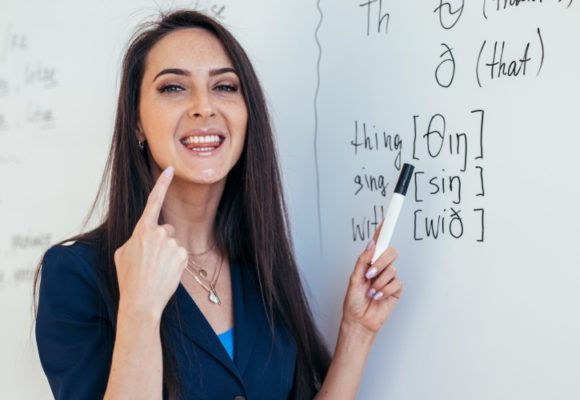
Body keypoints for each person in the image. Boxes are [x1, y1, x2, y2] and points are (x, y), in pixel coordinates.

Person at [33, 9, 403, 400]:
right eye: (173, 87)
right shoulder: (76, 275)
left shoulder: (258, 262)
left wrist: (357, 332)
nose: (204, 107)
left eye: (225, 87)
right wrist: (140, 312)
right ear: (137, 123)